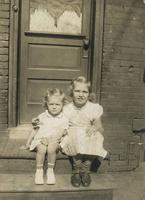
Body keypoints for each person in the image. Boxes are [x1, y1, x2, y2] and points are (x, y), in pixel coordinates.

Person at [60, 76, 108, 187]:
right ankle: (76, 170)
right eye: (77, 91)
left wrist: (94, 128)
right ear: (72, 92)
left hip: (86, 132)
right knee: (73, 136)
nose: (81, 95)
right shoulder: (67, 108)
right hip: (72, 132)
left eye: (84, 92)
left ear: (89, 94)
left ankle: (86, 169)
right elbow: (62, 125)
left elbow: (100, 128)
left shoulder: (93, 108)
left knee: (97, 137)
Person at [22, 88, 69, 185]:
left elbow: (63, 132)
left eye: (57, 104)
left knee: (51, 148)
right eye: (51, 104)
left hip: (55, 140)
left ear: (62, 105)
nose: (54, 107)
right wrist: (27, 143)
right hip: (41, 139)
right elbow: (35, 130)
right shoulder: (42, 116)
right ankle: (39, 171)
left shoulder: (64, 118)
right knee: (42, 149)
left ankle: (50, 170)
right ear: (46, 104)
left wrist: (53, 140)